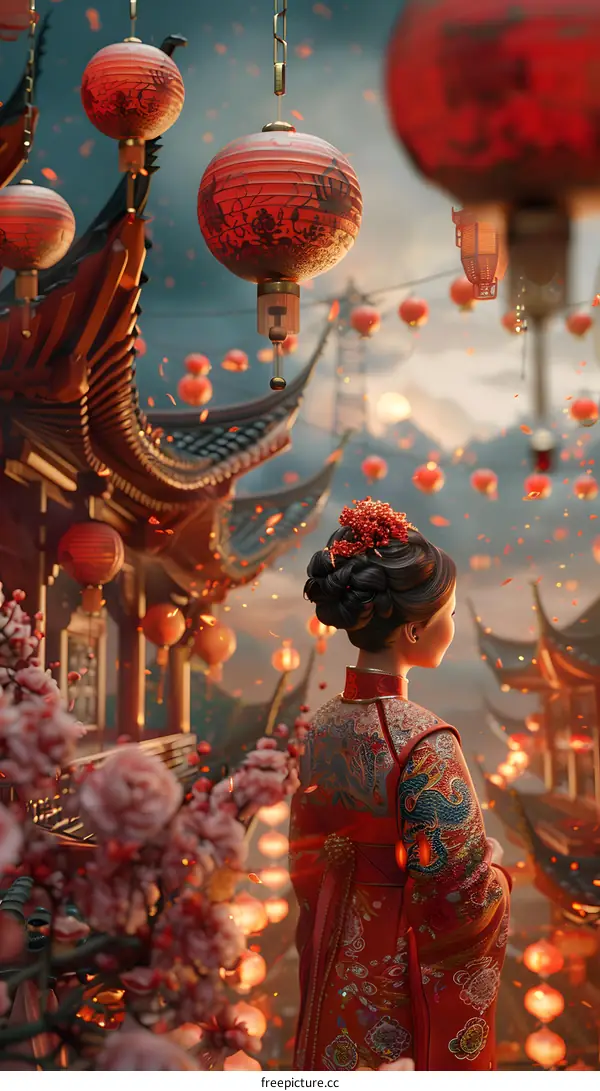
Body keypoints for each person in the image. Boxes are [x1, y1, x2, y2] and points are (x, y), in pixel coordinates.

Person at [290, 498, 511, 1072]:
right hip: (396, 967)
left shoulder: (321, 724)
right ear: (414, 627)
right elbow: (458, 898)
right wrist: (497, 879)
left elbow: (305, 854)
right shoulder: (424, 741)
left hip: (335, 949)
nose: (454, 626)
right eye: (451, 614)